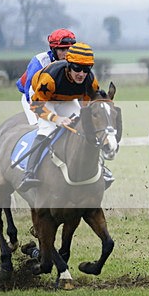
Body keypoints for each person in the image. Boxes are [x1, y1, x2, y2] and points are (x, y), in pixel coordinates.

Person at [18, 42, 101, 192]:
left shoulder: (91, 81)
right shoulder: (50, 79)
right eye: (77, 68)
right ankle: (29, 173)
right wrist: (56, 119)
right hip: (43, 98)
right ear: (69, 65)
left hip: (66, 99)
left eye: (86, 69)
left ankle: (101, 168)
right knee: (47, 129)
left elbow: (86, 107)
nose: (81, 74)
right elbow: (36, 106)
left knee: (83, 125)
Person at [17, 29, 77, 125]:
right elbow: (30, 91)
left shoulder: (74, 61)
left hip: (58, 96)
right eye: (62, 50)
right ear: (53, 49)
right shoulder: (39, 62)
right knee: (40, 125)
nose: (66, 54)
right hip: (34, 96)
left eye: (69, 50)